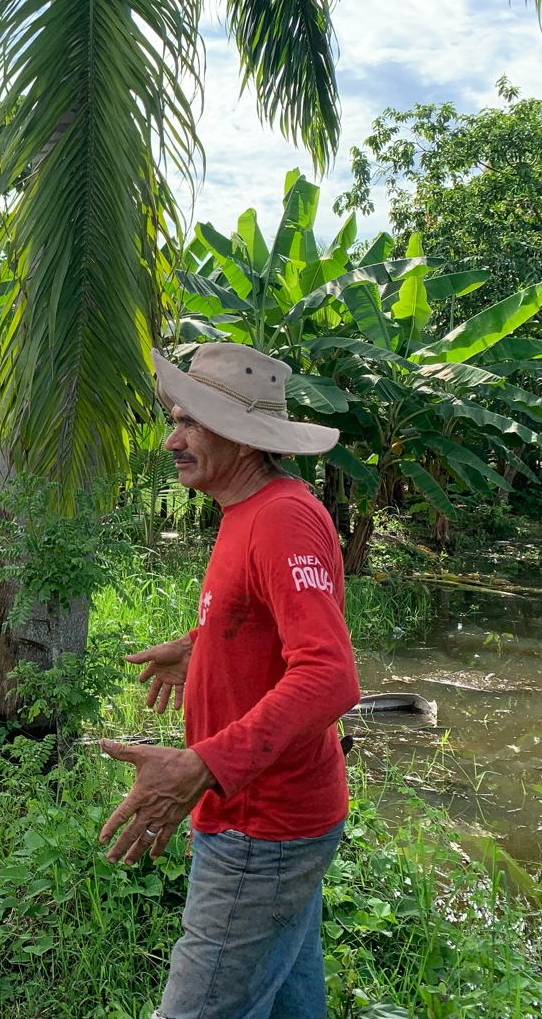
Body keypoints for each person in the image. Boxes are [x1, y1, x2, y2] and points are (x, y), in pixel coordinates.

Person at [99, 344, 362, 1019]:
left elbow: (329, 675)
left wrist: (203, 766)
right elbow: (272, 627)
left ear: (242, 438)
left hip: (263, 827)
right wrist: (203, 646)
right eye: (175, 421)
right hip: (275, 819)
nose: (172, 441)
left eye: (191, 423)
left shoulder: (279, 519)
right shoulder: (249, 510)